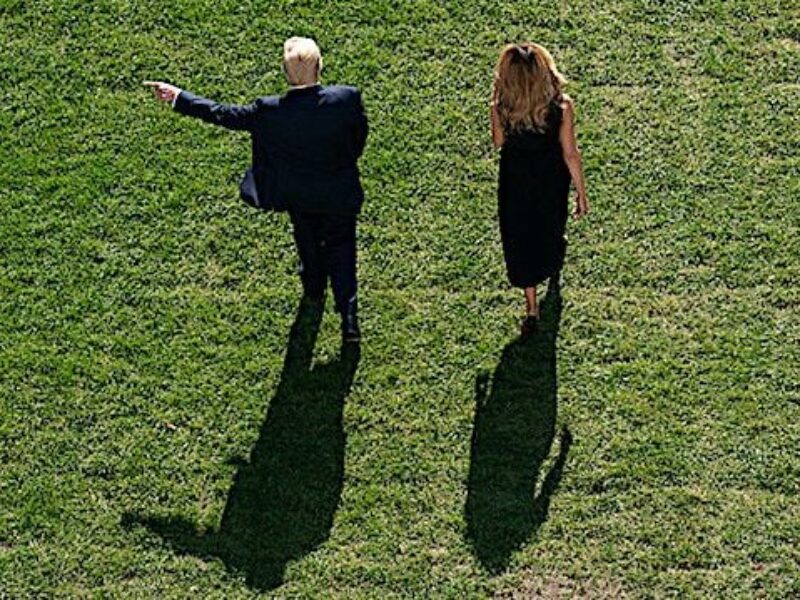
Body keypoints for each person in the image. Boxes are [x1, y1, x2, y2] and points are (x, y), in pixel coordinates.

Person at [144, 37, 368, 342]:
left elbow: (223, 113)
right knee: (343, 250)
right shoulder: (347, 99)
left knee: (307, 240)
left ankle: (314, 289)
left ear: (286, 73)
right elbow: (358, 138)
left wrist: (179, 97)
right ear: (319, 66)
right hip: (339, 193)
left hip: (299, 196)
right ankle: (350, 319)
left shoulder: (270, 111)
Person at [490, 42, 589, 337]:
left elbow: (499, 143)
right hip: (550, 181)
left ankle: (531, 307)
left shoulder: (501, 108)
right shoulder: (560, 107)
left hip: (515, 183)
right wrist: (581, 191)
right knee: (550, 227)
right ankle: (553, 265)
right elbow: (570, 152)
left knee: (520, 239)